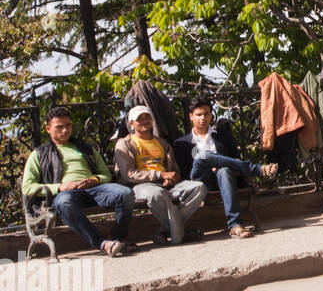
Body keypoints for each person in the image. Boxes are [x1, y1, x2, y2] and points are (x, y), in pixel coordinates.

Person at [21, 106, 136, 256]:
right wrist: (60, 187)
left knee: (125, 193)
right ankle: (103, 243)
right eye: (59, 127)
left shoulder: (85, 148)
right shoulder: (39, 154)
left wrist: (95, 179)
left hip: (94, 189)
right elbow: (28, 187)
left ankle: (118, 239)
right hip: (67, 194)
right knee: (64, 203)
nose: (65, 130)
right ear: (48, 129)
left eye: (68, 125)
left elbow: (105, 174)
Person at [173, 98, 277, 240]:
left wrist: (220, 166)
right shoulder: (181, 143)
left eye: (206, 114)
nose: (202, 118)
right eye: (198, 114)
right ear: (191, 116)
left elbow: (235, 160)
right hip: (198, 181)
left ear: (211, 115)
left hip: (223, 179)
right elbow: (185, 172)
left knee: (224, 170)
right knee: (203, 156)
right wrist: (208, 165)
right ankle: (256, 169)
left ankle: (235, 225)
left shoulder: (223, 137)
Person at [113, 105, 209, 245]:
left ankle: (165, 231)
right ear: (131, 123)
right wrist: (160, 174)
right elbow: (129, 174)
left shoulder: (161, 143)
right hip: (141, 185)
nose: (145, 121)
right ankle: (179, 237)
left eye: (147, 117)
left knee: (199, 187)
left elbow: (175, 169)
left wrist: (173, 177)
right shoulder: (125, 144)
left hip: (168, 184)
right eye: (140, 119)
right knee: (157, 194)